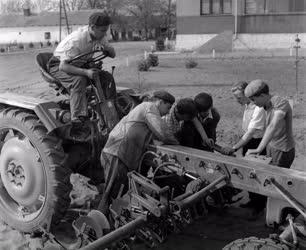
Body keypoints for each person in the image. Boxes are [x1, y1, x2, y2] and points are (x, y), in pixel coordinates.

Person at [99, 90, 178, 213]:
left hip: (122, 156)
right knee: (112, 193)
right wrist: (177, 143)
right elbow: (163, 134)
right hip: (116, 153)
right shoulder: (149, 107)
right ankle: (101, 225)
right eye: (168, 107)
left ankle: (113, 221)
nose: (168, 112)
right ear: (160, 102)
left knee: (119, 193)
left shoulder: (147, 110)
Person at [48, 12, 116, 137]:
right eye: (102, 30)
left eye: (106, 31)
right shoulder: (77, 40)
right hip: (59, 65)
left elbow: (113, 54)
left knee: (106, 77)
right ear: (92, 27)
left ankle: (110, 109)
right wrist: (86, 72)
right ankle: (78, 120)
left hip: (79, 63)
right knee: (79, 80)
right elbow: (63, 66)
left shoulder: (99, 36)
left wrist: (107, 49)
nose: (104, 34)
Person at [229, 81, 267, 213]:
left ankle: (259, 206)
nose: (237, 100)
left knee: (257, 175)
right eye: (236, 98)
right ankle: (252, 200)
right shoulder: (248, 105)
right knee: (248, 172)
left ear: (247, 94)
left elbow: (251, 132)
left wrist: (234, 148)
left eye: (239, 97)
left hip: (257, 143)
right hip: (248, 142)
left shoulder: (259, 108)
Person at [245, 79, 295, 169]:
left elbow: (273, 126)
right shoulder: (266, 105)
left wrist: (259, 149)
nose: (253, 103)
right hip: (271, 146)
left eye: (253, 100)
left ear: (263, 95)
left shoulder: (280, 102)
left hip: (282, 149)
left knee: (276, 177)